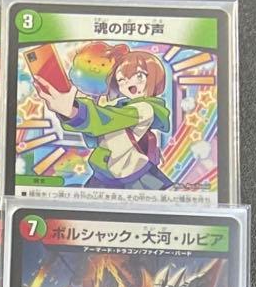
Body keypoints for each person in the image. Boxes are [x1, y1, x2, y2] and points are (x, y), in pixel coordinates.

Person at [33, 46, 172, 191]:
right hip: (105, 173)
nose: (129, 82)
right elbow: (97, 132)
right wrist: (70, 109)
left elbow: (110, 119)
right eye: (121, 79)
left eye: (139, 76)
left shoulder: (145, 109)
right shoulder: (119, 106)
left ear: (155, 77)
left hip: (132, 174)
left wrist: (73, 112)